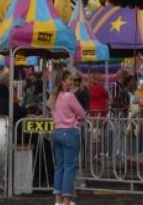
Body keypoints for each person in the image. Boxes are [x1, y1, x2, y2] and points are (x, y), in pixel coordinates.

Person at [50, 70, 85, 205]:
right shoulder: (69, 96)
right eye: (70, 80)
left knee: (60, 167)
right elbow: (81, 113)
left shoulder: (54, 96)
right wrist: (77, 118)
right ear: (63, 81)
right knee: (69, 167)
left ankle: (58, 200)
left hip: (57, 132)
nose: (72, 82)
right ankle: (66, 201)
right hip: (70, 132)